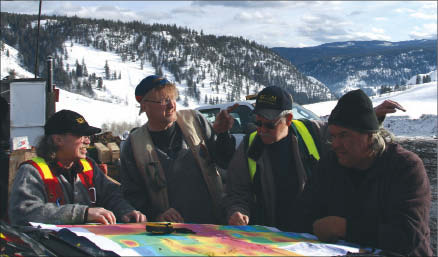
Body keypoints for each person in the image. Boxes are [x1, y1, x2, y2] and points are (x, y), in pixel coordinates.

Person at [222, 86, 405, 231]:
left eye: (269, 125)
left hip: (312, 235)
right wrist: (238, 211)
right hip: (270, 233)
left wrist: (372, 116)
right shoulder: (250, 146)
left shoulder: (313, 132)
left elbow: (352, 132)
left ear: (288, 119)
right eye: (258, 123)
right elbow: (238, 190)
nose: (261, 129)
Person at [294, 89, 432, 256]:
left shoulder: (405, 167)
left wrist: (344, 227)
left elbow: (408, 236)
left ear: (369, 136)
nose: (336, 144)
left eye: (344, 135)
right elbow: (304, 213)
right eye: (333, 136)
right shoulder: (330, 163)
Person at [120, 75, 236, 224]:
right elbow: (132, 195)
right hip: (169, 235)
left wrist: (223, 134)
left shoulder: (195, 121)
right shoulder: (133, 145)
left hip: (213, 225)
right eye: (163, 100)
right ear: (144, 106)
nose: (171, 105)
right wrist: (157, 215)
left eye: (172, 98)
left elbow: (225, 161)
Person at [8, 110, 147, 225]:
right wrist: (83, 213)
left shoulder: (89, 166)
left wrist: (125, 211)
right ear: (58, 140)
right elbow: (24, 213)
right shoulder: (32, 172)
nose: (88, 141)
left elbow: (112, 195)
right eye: (81, 135)